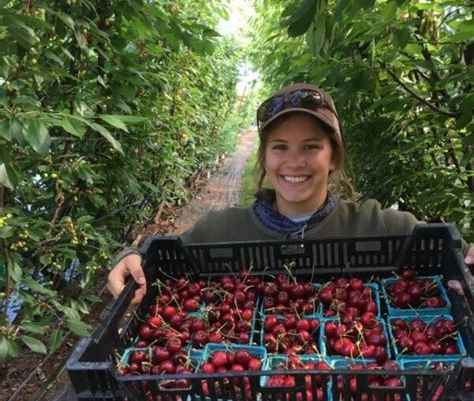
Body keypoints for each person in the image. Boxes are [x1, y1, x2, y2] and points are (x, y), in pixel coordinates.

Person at [107, 83, 473, 304]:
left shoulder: (378, 225)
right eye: (280, 147)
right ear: (264, 158)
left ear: (333, 157)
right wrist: (131, 257)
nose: (294, 162)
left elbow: (448, 250)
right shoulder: (221, 230)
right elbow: (161, 260)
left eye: (311, 147)